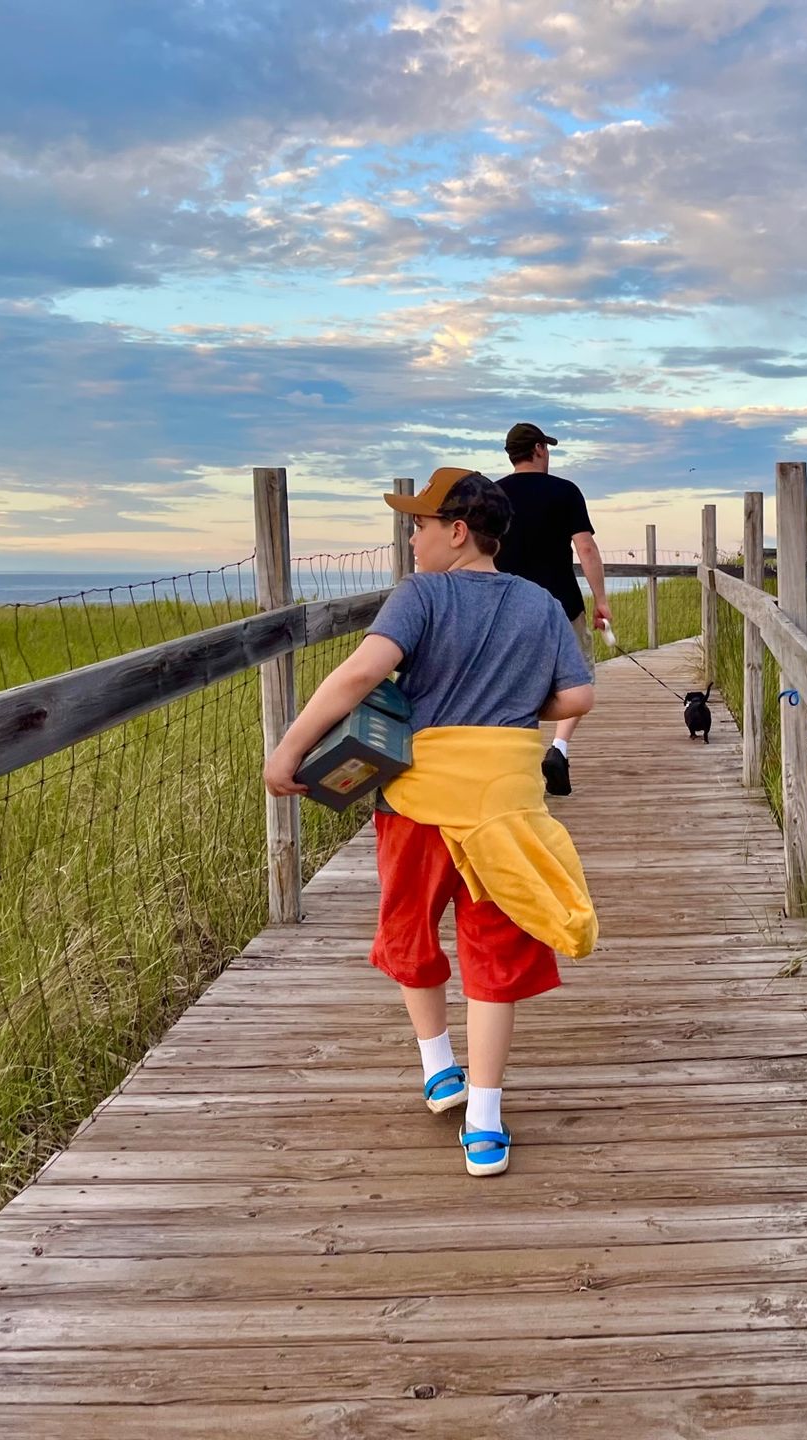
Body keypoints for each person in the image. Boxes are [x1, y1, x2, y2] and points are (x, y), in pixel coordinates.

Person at [264, 468, 597, 1178]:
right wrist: (505, 715)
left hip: (418, 804)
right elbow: (577, 694)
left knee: (409, 928)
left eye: (418, 526)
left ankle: (437, 1064)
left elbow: (360, 674)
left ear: (456, 531)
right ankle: (483, 1118)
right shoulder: (539, 604)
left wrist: (290, 748)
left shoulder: (421, 595)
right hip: (505, 805)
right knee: (495, 955)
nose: (410, 539)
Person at [494, 421, 608, 797]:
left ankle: (516, 762)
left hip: (507, 605)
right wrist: (600, 601)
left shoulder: (493, 495)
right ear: (539, 449)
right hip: (561, 603)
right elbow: (586, 548)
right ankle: (558, 748)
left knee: (511, 680)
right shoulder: (565, 491)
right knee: (576, 679)